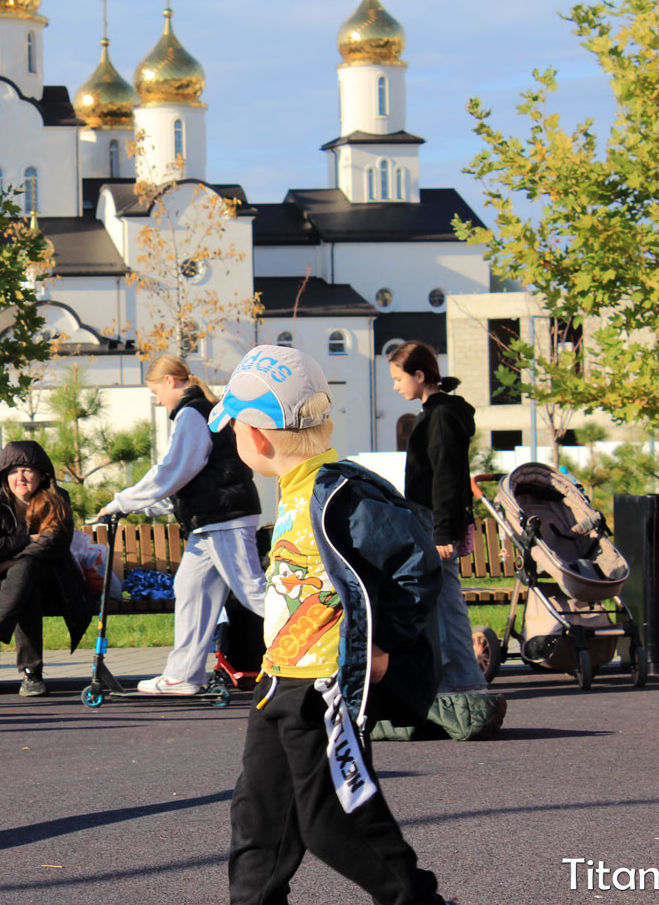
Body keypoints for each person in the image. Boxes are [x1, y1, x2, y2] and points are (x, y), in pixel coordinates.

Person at [215, 344, 456, 905]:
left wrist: (385, 646)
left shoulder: (341, 493)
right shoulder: (296, 491)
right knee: (259, 822)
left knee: (336, 823)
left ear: (255, 438)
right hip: (278, 682)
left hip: (323, 688)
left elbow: (418, 566)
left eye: (235, 431)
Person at [97, 356, 266, 695]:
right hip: (212, 520)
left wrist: (123, 501)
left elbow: (173, 470)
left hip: (224, 519)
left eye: (156, 390)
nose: (157, 399)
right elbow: (190, 479)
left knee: (253, 593)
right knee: (190, 590)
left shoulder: (192, 412)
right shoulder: (201, 410)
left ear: (172, 381)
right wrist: (147, 505)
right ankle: (183, 676)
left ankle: (325, 647)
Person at [390, 340, 505, 739]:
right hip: (435, 518)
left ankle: (459, 681)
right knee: (442, 599)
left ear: (420, 375)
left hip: (431, 519)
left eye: (398, 378)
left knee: (443, 600)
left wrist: (442, 530)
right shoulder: (442, 414)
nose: (395, 386)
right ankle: (460, 679)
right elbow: (454, 476)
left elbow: (444, 477)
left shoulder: (439, 417)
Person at [0, 441, 92, 697]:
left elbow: (56, 544)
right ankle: (31, 675)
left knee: (27, 569)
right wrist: (31, 538)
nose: (21, 477)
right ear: (4, 474)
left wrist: (7, 562)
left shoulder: (57, 499)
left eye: (27, 470)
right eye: (14, 471)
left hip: (52, 580)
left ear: (41, 473)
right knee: (28, 589)